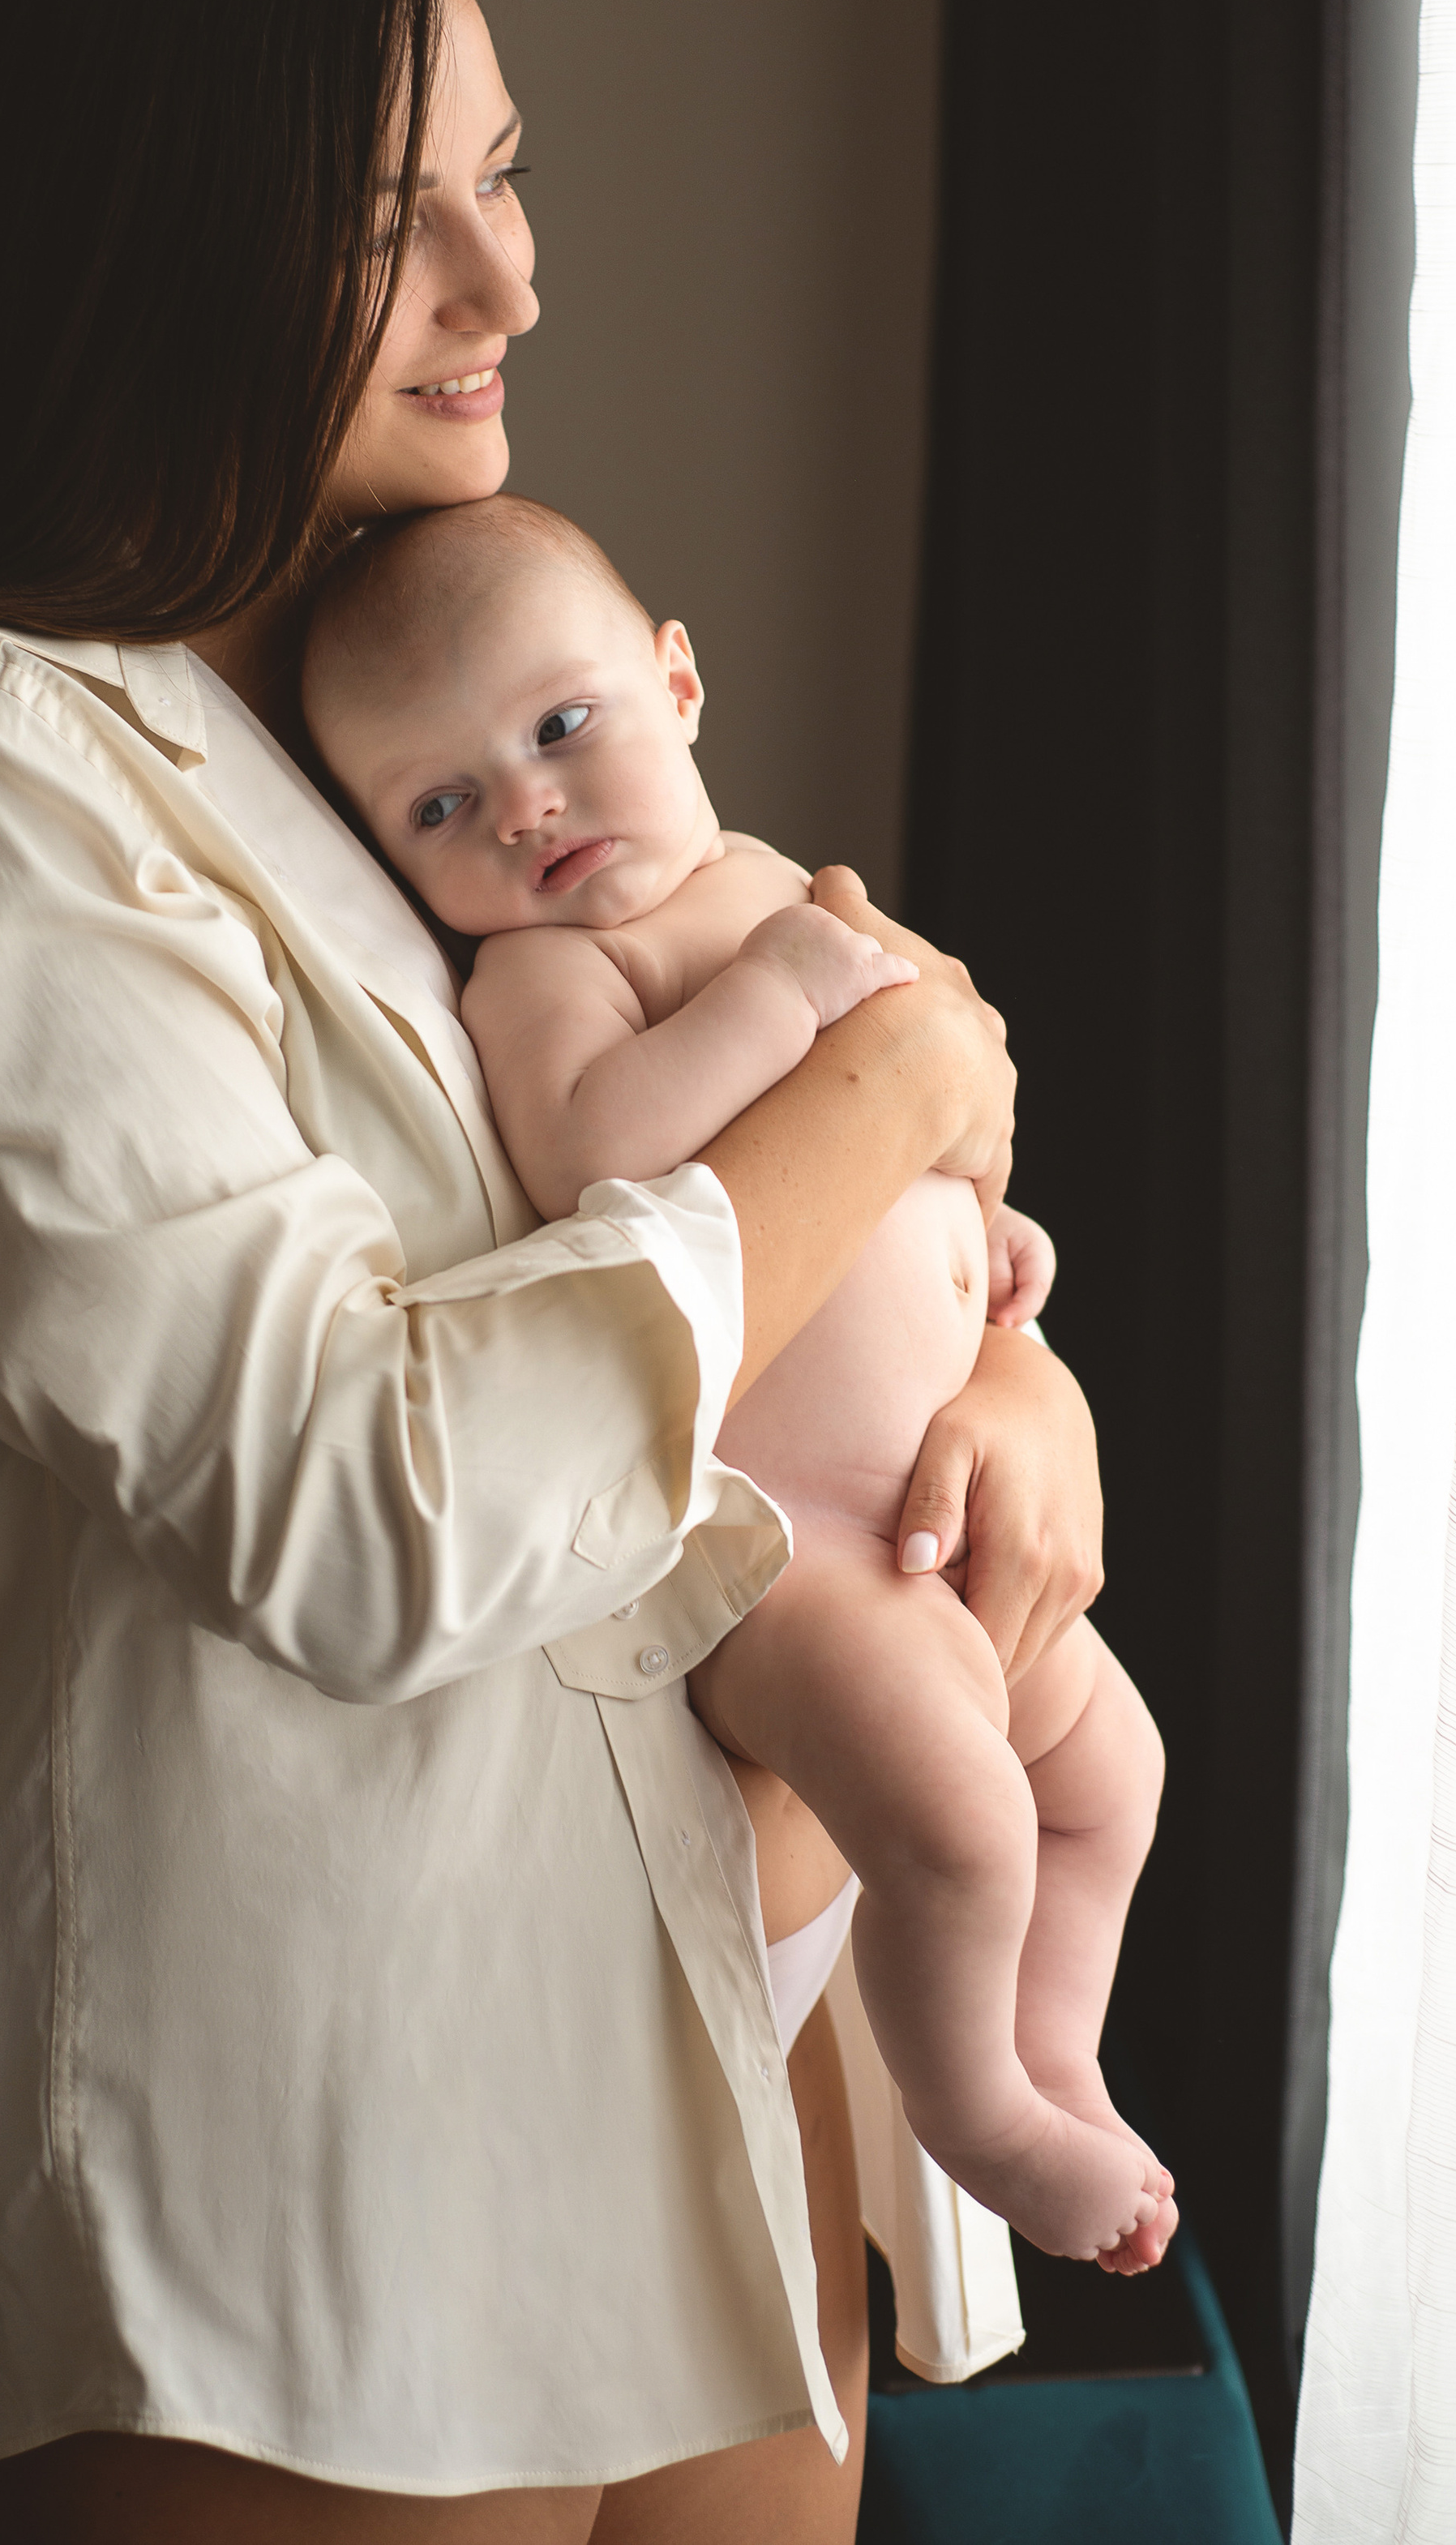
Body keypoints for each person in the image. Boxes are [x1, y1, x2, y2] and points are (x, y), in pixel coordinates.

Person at [0, 0, 1105, 2543]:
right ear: (150, 237)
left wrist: (1009, 1384)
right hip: (293, 2153)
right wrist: (895, 1088)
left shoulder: (435, 719)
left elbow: (788, 1210)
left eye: (507, 173)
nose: (511, 278)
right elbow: (370, 1496)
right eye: (389, 214)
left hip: (714, 2044)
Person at [301, 495, 1174, 2279]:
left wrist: (1000, 1267)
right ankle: (974, 2111)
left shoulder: (781, 882)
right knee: (958, 1817)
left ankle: (1055, 2048)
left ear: (675, 685)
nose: (526, 806)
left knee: (1111, 1781)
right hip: (788, 1559)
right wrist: (783, 997)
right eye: (439, 806)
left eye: (558, 729)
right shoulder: (552, 976)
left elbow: (937, 1150)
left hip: (947, 1504)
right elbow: (597, 1155)